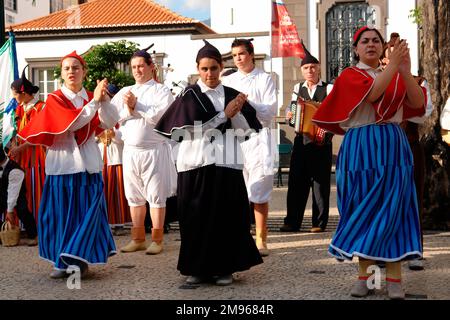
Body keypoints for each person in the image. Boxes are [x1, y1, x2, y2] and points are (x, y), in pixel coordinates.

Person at [312, 26, 426, 299]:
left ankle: (395, 279)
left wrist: (405, 70)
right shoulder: (350, 75)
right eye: (365, 41)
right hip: (361, 144)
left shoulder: (396, 73)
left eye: (377, 40)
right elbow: (373, 94)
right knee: (363, 206)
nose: (371, 44)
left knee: (395, 207)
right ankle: (368, 278)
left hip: (393, 143)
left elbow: (418, 101)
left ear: (383, 46)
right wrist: (394, 66)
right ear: (356, 48)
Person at [155, 40, 263, 286]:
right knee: (196, 218)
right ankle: (198, 269)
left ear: (221, 68)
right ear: (197, 69)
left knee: (227, 218)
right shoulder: (189, 96)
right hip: (196, 164)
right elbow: (190, 132)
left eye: (214, 68)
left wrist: (235, 115)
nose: (209, 74)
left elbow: (247, 131)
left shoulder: (233, 95)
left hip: (228, 163)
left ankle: (225, 268)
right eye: (204, 69)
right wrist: (224, 115)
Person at [17, 51, 117, 279]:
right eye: (67, 68)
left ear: (84, 71)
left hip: (89, 165)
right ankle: (61, 262)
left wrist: (104, 100)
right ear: (61, 74)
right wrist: (94, 102)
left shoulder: (91, 97)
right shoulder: (55, 99)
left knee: (87, 214)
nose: (71, 71)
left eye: (76, 67)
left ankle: (78, 258)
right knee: (61, 215)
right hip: (63, 164)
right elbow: (72, 123)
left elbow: (109, 121)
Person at [110, 46, 177, 255]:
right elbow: (114, 117)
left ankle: (157, 239)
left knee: (156, 196)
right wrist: (113, 130)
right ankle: (137, 237)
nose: (137, 70)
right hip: (130, 151)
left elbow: (161, 118)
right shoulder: (124, 91)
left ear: (150, 67)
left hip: (153, 150)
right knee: (134, 195)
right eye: (133, 67)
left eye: (141, 66)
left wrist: (136, 107)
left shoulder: (161, 91)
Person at [382, 33, 434, 271]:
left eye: (403, 52)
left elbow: (423, 112)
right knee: (383, 200)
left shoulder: (419, 81)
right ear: (385, 58)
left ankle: (414, 250)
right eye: (391, 53)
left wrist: (395, 109)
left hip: (411, 147)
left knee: (413, 197)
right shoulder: (377, 81)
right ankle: (382, 251)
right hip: (383, 149)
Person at [221, 38, 277, 256]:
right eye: (234, 55)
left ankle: (261, 238)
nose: (238, 59)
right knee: (237, 190)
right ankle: (240, 236)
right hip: (236, 140)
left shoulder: (264, 79)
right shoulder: (229, 80)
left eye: (242, 54)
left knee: (259, 190)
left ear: (251, 54)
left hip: (259, 140)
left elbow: (269, 111)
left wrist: (247, 103)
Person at [280, 42, 333, 233]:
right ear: (302, 71)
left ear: (318, 68)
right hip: (301, 140)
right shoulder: (297, 88)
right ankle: (292, 221)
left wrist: (326, 131)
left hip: (321, 142)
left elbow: (334, 114)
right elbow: (292, 110)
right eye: (306, 68)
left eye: (312, 67)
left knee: (320, 184)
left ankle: (318, 223)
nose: (310, 70)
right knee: (296, 182)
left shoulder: (329, 89)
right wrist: (289, 114)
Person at [9, 68, 46, 224]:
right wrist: (13, 144)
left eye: (15, 94)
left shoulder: (41, 108)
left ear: (23, 93)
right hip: (21, 159)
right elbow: (15, 132)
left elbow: (40, 135)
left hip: (37, 157)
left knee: (38, 189)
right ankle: (26, 225)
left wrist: (20, 148)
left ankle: (39, 226)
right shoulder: (18, 109)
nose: (14, 98)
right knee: (23, 191)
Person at [96, 84, 131, 236]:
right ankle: (105, 222)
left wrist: (112, 133)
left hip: (116, 157)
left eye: (109, 96)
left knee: (117, 191)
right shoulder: (100, 113)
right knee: (104, 191)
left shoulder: (121, 114)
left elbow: (124, 138)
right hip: (101, 157)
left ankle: (120, 223)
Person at [0, 145, 38, 246]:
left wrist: (10, 211)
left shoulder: (15, 170)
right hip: (3, 194)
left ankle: (33, 235)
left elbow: (13, 193)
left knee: (22, 210)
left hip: (17, 195)